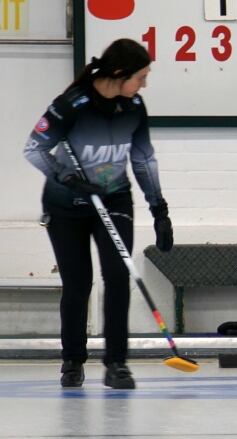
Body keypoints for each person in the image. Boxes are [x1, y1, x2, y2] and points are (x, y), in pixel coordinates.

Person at [23, 39, 174, 389]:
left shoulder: (134, 106)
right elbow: (34, 147)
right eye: (141, 76)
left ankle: (117, 364)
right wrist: (67, 177)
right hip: (66, 204)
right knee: (78, 284)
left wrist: (159, 209)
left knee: (119, 278)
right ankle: (72, 362)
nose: (144, 84)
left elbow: (142, 159)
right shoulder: (71, 105)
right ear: (119, 74)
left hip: (114, 198)